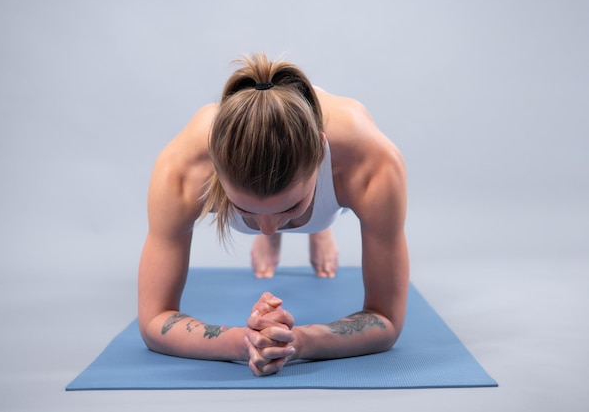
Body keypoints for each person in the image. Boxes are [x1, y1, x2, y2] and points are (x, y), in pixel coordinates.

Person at [138, 53, 409, 377]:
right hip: (295, 178)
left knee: (309, 215)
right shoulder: (182, 168)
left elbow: (387, 319)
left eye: (290, 208)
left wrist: (299, 341)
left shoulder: (370, 163)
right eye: (243, 210)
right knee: (277, 209)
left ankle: (316, 226)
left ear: (321, 156)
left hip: (332, 168)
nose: (266, 230)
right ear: (214, 164)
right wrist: (244, 341)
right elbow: (153, 319)